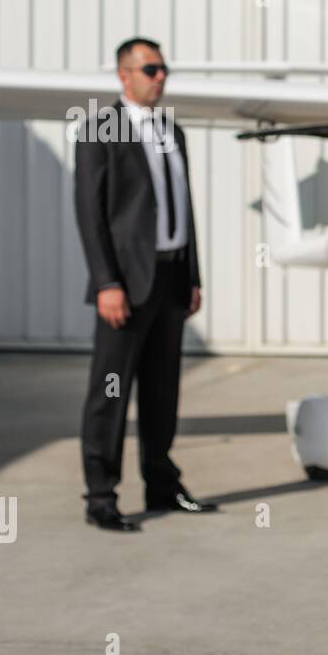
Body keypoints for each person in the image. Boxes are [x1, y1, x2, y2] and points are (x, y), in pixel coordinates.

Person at [74, 37, 218, 531]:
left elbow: (184, 207)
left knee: (162, 390)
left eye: (163, 69)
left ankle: (161, 484)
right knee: (109, 393)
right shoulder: (101, 130)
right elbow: (90, 213)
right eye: (150, 69)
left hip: (171, 278)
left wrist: (192, 275)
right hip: (126, 283)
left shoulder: (173, 131)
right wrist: (106, 282)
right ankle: (100, 497)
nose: (160, 78)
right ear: (124, 75)